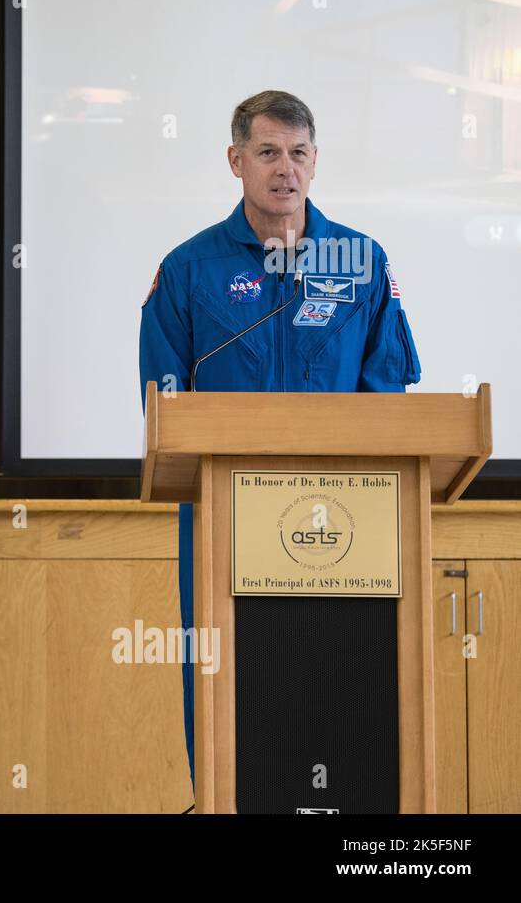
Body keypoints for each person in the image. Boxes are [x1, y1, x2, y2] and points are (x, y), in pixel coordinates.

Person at [138, 90, 422, 793]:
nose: (284, 169)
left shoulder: (362, 260)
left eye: (298, 153)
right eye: (267, 152)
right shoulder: (187, 270)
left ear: (316, 161)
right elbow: (164, 409)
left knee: (335, 678)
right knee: (230, 678)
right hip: (224, 517)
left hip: (342, 517)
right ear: (236, 161)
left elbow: (388, 391)